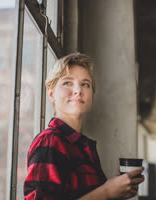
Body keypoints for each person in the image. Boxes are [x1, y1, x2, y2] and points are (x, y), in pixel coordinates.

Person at [24, 53, 144, 199]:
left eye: (85, 84)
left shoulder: (83, 146)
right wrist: (106, 191)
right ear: (51, 93)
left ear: (91, 95)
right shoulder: (49, 142)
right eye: (67, 82)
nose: (78, 90)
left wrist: (116, 189)